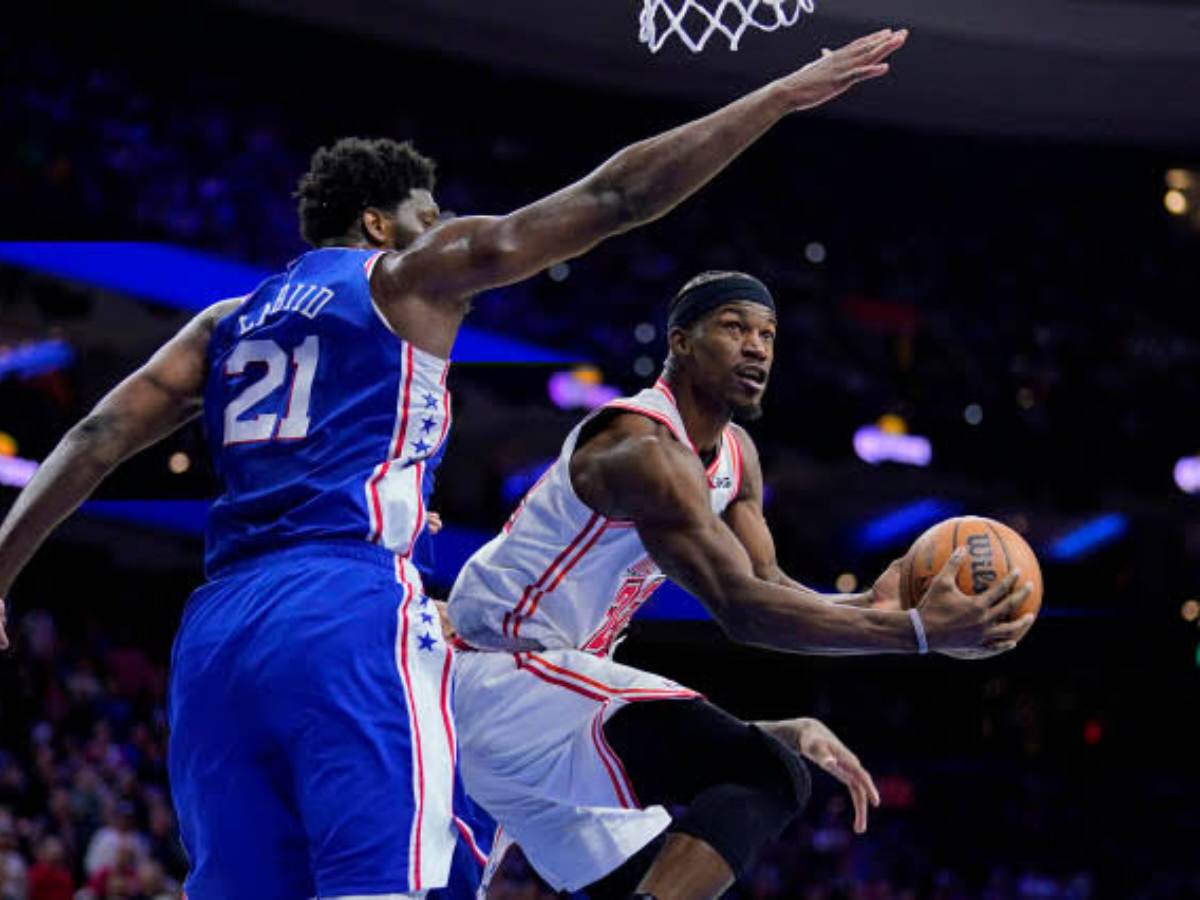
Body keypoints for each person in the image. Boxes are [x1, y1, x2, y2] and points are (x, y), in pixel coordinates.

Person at [0, 29, 910, 898]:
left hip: (213, 631)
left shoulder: (223, 323)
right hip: (347, 605)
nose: (443, 232)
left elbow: (91, 440)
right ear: (379, 225)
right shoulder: (405, 278)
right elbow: (614, 201)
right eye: (427, 218)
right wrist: (781, 96)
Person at [446, 271, 1037, 899]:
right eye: (734, 327)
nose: (757, 347)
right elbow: (743, 612)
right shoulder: (641, 448)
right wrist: (916, 631)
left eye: (768, 334)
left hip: (543, 703)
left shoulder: (737, 456)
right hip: (499, 674)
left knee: (666, 871)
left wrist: (871, 603)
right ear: (681, 341)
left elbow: (767, 583)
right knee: (763, 774)